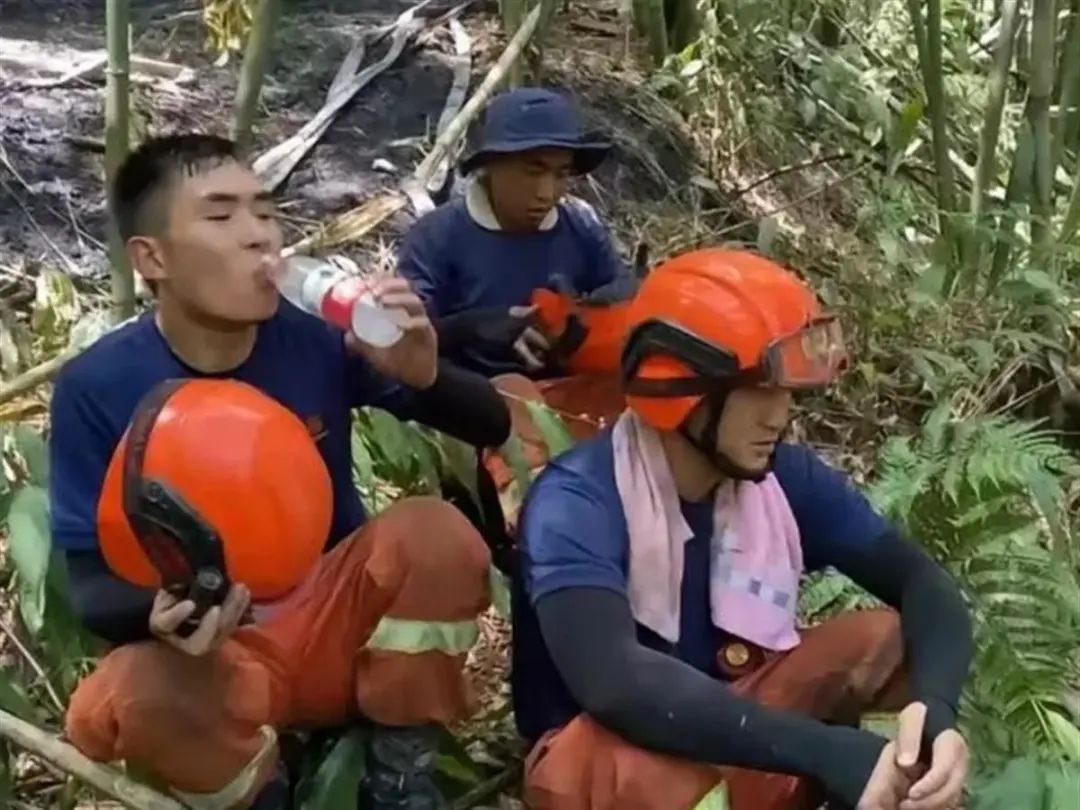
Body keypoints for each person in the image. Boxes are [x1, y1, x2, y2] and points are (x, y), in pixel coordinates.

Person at [48, 133, 512, 810]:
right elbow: (88, 581)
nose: (257, 235)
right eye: (221, 214)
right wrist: (165, 612)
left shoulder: (317, 337)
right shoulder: (99, 385)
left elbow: (490, 425)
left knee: (433, 534)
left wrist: (426, 374)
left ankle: (400, 769)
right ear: (152, 258)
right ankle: (261, 789)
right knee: (129, 692)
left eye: (264, 212)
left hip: (333, 620)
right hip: (218, 654)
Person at [508, 249, 974, 810]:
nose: (779, 416)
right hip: (604, 760)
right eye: (757, 391)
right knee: (651, 780)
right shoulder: (577, 502)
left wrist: (936, 715)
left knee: (888, 640)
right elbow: (616, 682)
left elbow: (922, 583)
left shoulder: (778, 476)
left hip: (738, 723)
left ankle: (889, 792)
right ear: (679, 390)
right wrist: (823, 750)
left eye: (786, 395)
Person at [396, 86, 635, 428]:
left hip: (567, 394)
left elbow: (621, 289)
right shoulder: (439, 236)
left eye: (561, 174)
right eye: (533, 170)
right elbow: (402, 341)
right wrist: (469, 328)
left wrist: (587, 316)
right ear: (490, 166)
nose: (547, 192)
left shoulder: (579, 227)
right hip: (474, 406)